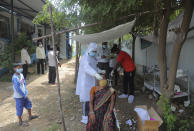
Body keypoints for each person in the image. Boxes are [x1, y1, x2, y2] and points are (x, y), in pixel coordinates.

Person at [76, 42, 103, 124]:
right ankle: (84, 117)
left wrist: (99, 71)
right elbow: (87, 68)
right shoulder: (85, 57)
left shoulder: (93, 57)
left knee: (91, 97)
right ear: (89, 50)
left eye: (95, 51)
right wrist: (95, 74)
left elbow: (94, 67)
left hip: (92, 81)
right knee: (85, 99)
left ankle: (90, 113)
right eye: (93, 51)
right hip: (85, 81)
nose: (94, 53)